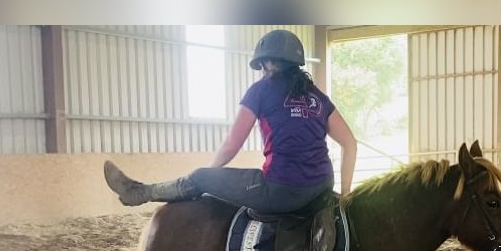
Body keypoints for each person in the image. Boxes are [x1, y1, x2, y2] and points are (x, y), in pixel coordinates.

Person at [104, 29, 357, 214]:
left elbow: (231, 146)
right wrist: (345, 193)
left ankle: (141, 192)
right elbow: (349, 143)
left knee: (201, 176)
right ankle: (142, 191)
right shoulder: (318, 97)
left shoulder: (261, 90)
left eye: (262, 65)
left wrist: (209, 177)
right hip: (322, 186)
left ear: (269, 62)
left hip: (281, 190)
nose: (262, 70)